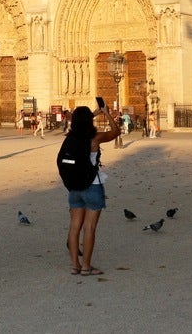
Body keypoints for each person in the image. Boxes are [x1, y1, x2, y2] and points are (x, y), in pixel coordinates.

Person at [66, 102, 120, 276]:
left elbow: (77, 121)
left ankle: (75, 265)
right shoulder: (95, 138)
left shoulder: (70, 137)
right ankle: (86, 266)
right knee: (89, 228)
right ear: (89, 121)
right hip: (92, 186)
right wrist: (106, 113)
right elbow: (116, 131)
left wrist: (92, 114)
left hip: (74, 187)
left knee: (74, 227)